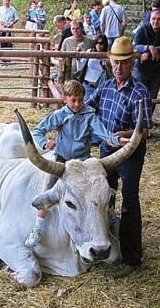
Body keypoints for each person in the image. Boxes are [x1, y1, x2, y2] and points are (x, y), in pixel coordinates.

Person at [25, 80, 128, 247]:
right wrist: (44, 143)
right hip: (63, 162)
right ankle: (38, 226)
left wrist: (115, 140)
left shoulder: (89, 114)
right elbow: (38, 130)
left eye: (80, 100)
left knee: (100, 190)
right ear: (65, 99)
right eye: (73, 100)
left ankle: (110, 217)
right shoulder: (60, 115)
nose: (77, 104)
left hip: (83, 163)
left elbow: (103, 133)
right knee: (50, 189)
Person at [86, 36, 152, 278]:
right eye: (115, 62)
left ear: (132, 63)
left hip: (130, 154)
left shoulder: (140, 91)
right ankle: (106, 245)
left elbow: (144, 130)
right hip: (106, 152)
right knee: (104, 198)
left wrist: (124, 134)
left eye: (123, 62)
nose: (118, 67)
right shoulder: (104, 86)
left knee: (129, 202)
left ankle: (132, 258)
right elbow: (85, 108)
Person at [133, 8, 160, 115]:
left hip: (156, 70)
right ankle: (136, 125)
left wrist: (151, 50)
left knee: (152, 99)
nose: (156, 22)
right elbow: (135, 45)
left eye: (159, 19)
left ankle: (147, 125)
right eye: (153, 19)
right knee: (138, 97)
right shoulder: (142, 29)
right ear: (149, 19)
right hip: (141, 69)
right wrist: (147, 47)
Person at [81, 34, 112, 101]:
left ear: (105, 44)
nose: (98, 45)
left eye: (101, 43)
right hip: (87, 85)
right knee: (87, 106)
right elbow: (80, 66)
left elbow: (110, 73)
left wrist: (105, 66)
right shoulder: (90, 52)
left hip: (100, 86)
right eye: (96, 43)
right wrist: (78, 56)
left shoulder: (108, 56)